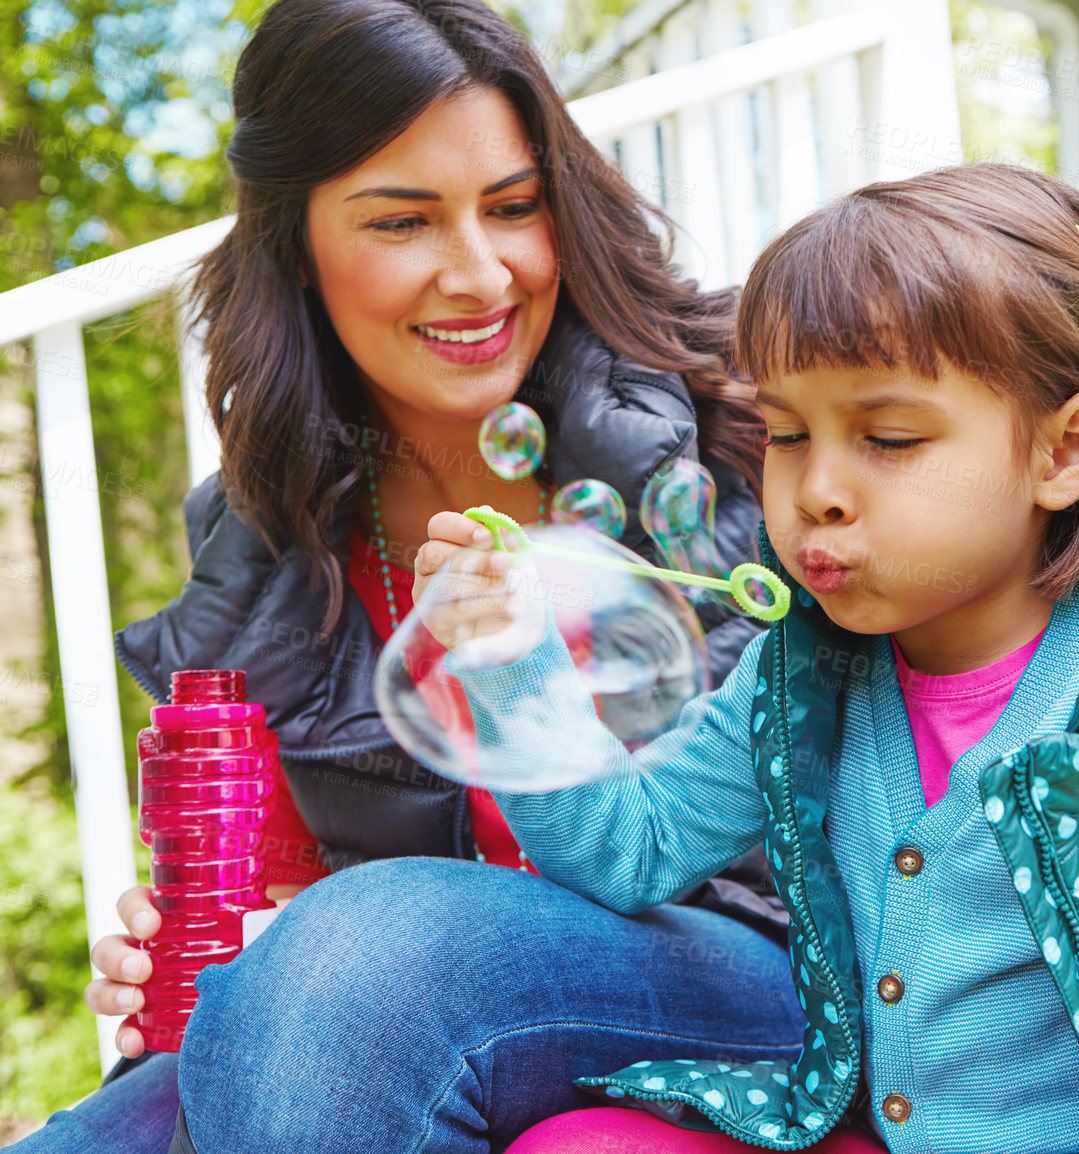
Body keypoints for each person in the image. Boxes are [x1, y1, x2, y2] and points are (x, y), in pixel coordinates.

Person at [170, 164, 1079, 1154]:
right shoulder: (808, 676)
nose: (816, 490)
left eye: (887, 439)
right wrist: (521, 668)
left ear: (1062, 451)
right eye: (787, 433)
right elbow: (628, 850)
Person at [15, 1, 792, 1151]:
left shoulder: (745, 419)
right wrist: (211, 951)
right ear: (297, 241)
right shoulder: (264, 535)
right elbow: (279, 890)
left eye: (515, 207)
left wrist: (319, 950)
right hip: (404, 1014)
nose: (479, 274)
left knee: (357, 963)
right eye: (403, 222)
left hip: (747, 968)